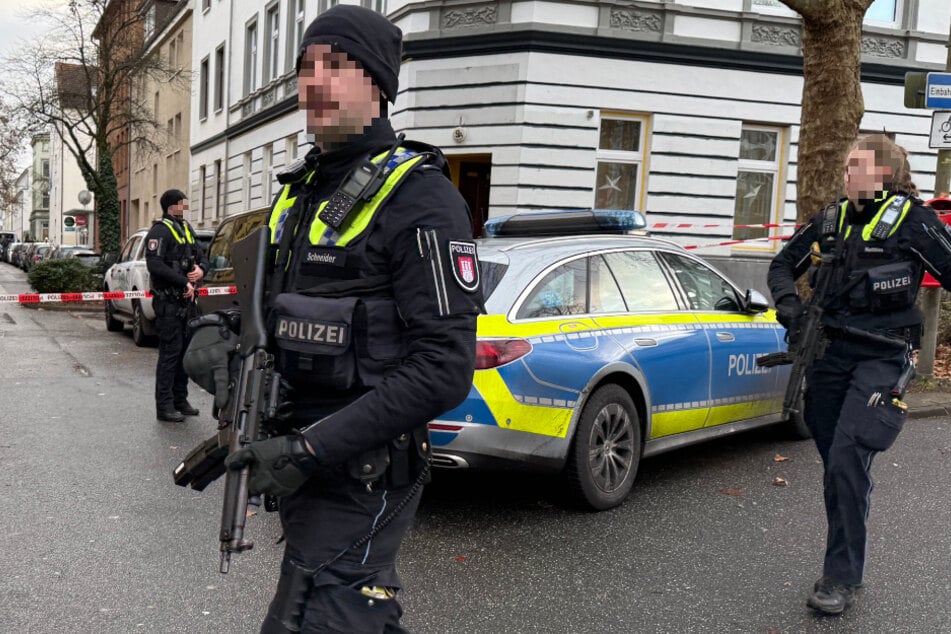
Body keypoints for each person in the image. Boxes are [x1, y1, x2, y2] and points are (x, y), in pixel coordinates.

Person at [222, 6, 482, 632]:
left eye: (336, 65)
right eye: (306, 67)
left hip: (362, 470)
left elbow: (444, 369)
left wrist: (309, 449)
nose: (315, 80)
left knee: (314, 618)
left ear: (379, 83)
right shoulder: (299, 191)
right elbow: (270, 318)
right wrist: (221, 346)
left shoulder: (421, 196)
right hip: (296, 459)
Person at [767, 134, 951, 615]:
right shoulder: (830, 219)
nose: (847, 175)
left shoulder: (914, 221)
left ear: (885, 174)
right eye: (848, 167)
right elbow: (782, 265)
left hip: (883, 356)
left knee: (848, 457)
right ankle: (847, 552)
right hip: (829, 354)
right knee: (838, 465)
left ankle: (841, 577)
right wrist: (789, 306)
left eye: (857, 166)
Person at [145, 189, 208, 423]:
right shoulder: (160, 231)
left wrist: (201, 270)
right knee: (170, 354)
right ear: (171, 206)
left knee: (184, 353)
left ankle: (180, 399)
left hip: (187, 303)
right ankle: (165, 405)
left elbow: (202, 256)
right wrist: (182, 281)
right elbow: (155, 264)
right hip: (168, 302)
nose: (185, 208)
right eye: (181, 204)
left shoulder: (186, 229)